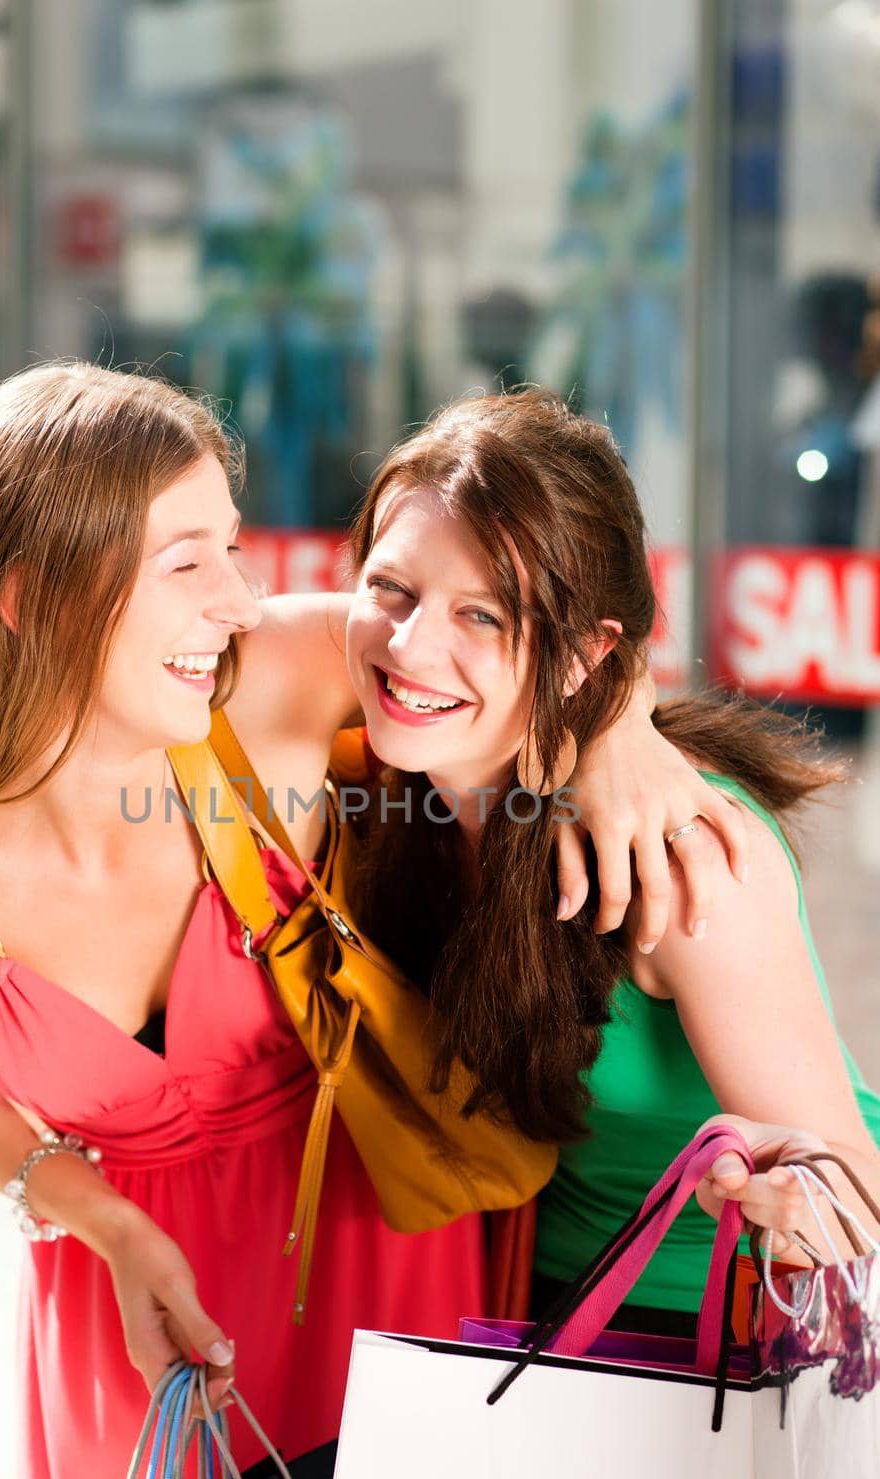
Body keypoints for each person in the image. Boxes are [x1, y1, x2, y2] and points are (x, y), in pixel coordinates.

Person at [0, 363, 758, 1479]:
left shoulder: (261, 688)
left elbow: (505, 622)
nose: (243, 596)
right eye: (188, 561)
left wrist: (622, 719)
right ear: (30, 596)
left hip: (377, 1247)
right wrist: (90, 1211)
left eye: (234, 545)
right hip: (129, 1315)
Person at [340, 386, 880, 1335]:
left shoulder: (681, 856)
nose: (412, 645)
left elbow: (853, 1197)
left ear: (588, 653)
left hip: (719, 1337)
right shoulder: (378, 776)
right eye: (391, 588)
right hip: (518, 1321)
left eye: (484, 616)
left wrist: (792, 1196)